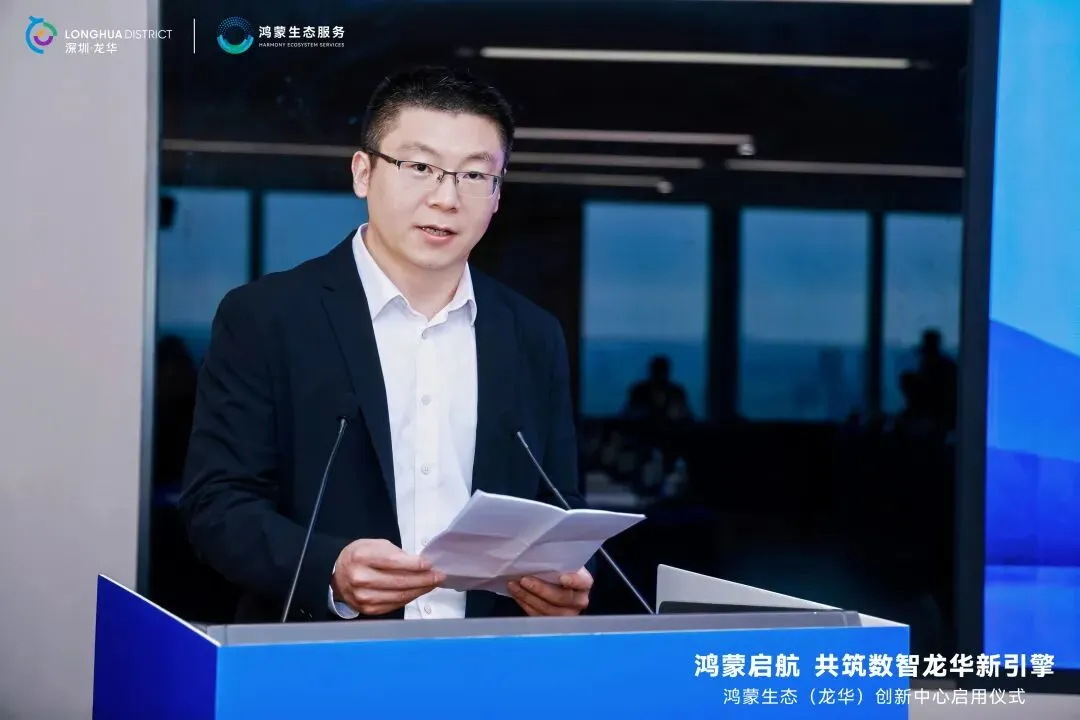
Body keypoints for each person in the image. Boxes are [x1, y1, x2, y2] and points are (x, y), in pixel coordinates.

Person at [179, 65, 593, 623]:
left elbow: (559, 508)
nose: (446, 198)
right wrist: (327, 568)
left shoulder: (532, 335)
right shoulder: (267, 317)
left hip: (487, 657)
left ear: (498, 194)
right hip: (320, 655)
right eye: (420, 167)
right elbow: (216, 505)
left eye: (475, 175)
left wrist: (563, 581)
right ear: (363, 173)